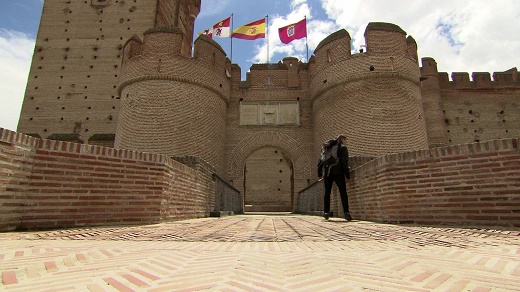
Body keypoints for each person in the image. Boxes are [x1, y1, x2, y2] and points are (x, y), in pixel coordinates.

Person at [317, 135, 352, 221]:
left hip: (327, 173)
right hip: (338, 172)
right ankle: (346, 213)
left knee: (327, 193)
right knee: (343, 192)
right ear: (342, 140)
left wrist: (319, 173)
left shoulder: (326, 148)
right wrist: (347, 175)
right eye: (345, 140)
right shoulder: (342, 148)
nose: (346, 142)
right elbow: (344, 162)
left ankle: (326, 212)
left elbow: (321, 161)